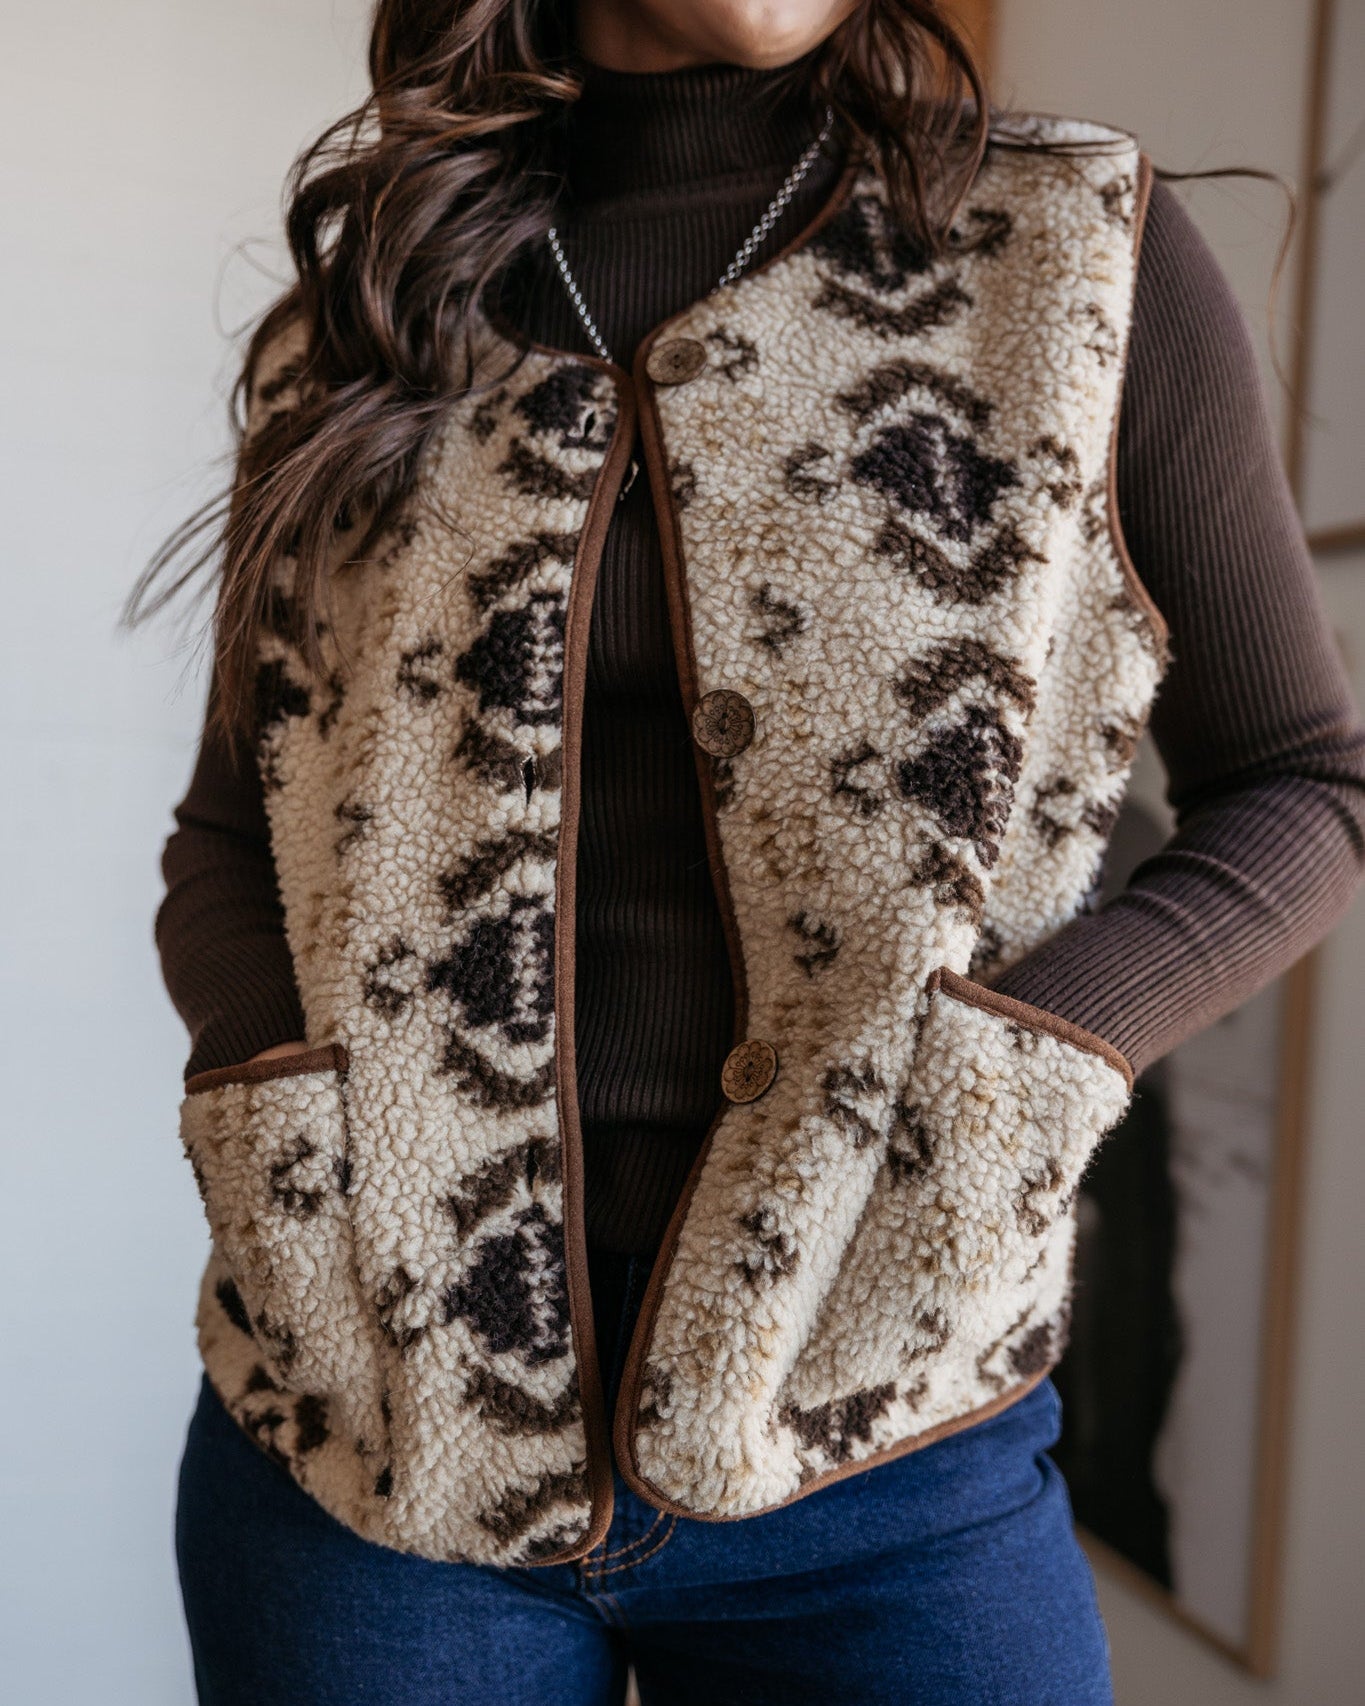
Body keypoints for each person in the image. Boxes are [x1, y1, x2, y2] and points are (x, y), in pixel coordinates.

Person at [144, 2, 1365, 1701]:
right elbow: (233, 824)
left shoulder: (1070, 250)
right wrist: (287, 1126)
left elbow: (1303, 785)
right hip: (372, 1430)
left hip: (888, 1435)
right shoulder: (366, 320)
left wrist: (1002, 1079)